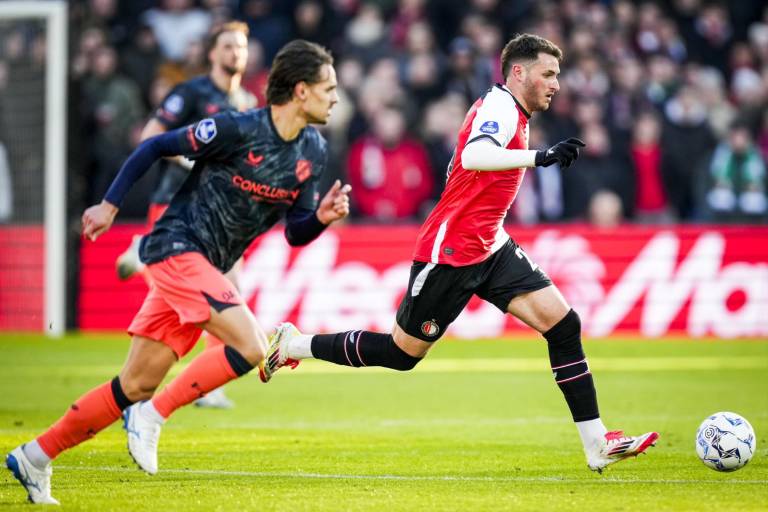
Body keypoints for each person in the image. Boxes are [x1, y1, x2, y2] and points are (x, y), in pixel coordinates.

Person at [261, 33, 659, 473]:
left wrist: (534, 155)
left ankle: (596, 442)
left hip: (490, 243)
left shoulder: (515, 112)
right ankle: (295, 344)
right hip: (450, 249)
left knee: (563, 325)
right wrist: (539, 157)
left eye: (558, 75)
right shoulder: (498, 107)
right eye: (548, 74)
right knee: (401, 354)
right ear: (519, 72)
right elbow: (474, 155)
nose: (556, 84)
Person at [5, 39, 348, 505]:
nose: (336, 97)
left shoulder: (313, 151)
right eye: (329, 88)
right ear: (302, 91)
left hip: (208, 265)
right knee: (252, 346)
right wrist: (109, 205)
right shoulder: (237, 128)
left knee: (133, 384)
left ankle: (35, 456)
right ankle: (156, 413)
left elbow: (294, 233)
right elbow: (155, 146)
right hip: (175, 247)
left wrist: (322, 219)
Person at [116, 21, 256, 409]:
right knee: (182, 295)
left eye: (241, 47)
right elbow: (149, 137)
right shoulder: (190, 93)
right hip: (175, 204)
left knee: (228, 292)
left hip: (219, 212)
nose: (236, 54)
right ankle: (146, 253)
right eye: (228, 46)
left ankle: (208, 385)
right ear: (212, 53)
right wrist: (194, 156)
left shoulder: (245, 101)